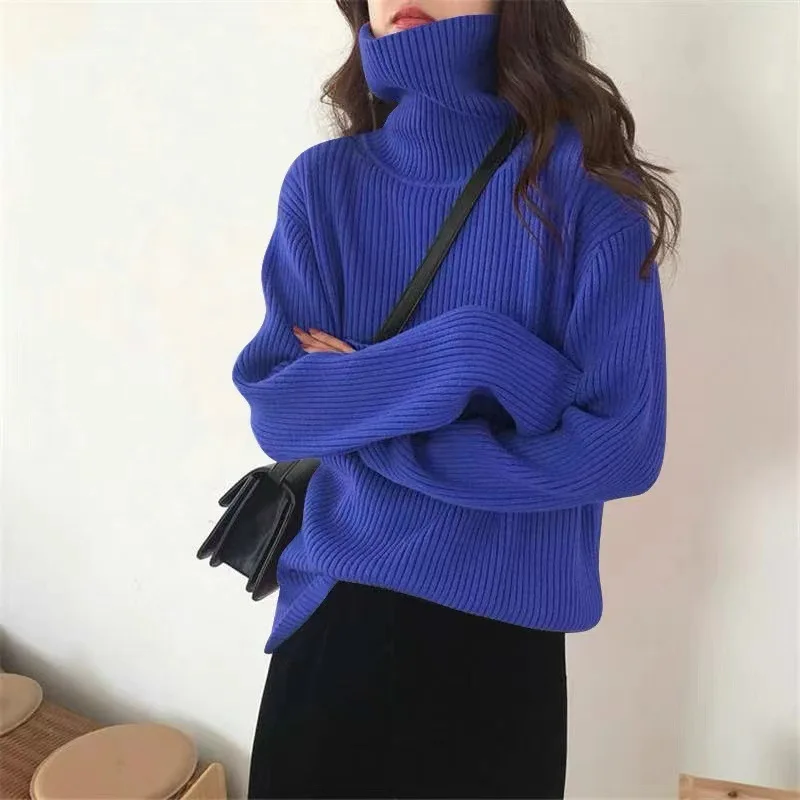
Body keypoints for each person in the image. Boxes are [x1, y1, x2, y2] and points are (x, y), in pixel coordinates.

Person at [233, 0, 680, 797]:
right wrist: (472, 355)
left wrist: (380, 405)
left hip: (502, 648)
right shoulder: (327, 185)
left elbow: (620, 449)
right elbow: (283, 410)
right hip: (338, 620)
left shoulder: (590, 196)